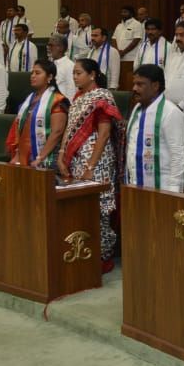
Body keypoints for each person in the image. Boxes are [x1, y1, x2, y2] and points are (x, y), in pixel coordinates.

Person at [58, 59, 123, 271]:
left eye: (79, 73)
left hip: (98, 159)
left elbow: (104, 134)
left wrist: (91, 166)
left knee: (99, 208)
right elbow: (68, 130)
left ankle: (103, 255)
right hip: (77, 158)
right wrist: (61, 154)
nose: (75, 77)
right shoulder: (77, 98)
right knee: (82, 205)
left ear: (92, 74)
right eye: (73, 73)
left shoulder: (102, 96)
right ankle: (83, 252)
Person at [124, 64, 184, 192]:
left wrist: (174, 189)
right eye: (134, 84)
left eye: (140, 84)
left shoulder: (170, 112)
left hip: (163, 186)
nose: (134, 88)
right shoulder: (137, 108)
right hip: (134, 182)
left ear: (155, 86)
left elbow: (178, 155)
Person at [6, 61, 69, 170]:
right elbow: (21, 127)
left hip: (48, 157)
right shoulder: (30, 98)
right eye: (32, 73)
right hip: (25, 155)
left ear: (49, 76)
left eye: (37, 73)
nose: (33, 76)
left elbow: (57, 132)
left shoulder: (57, 100)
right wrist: (17, 154)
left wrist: (40, 158)